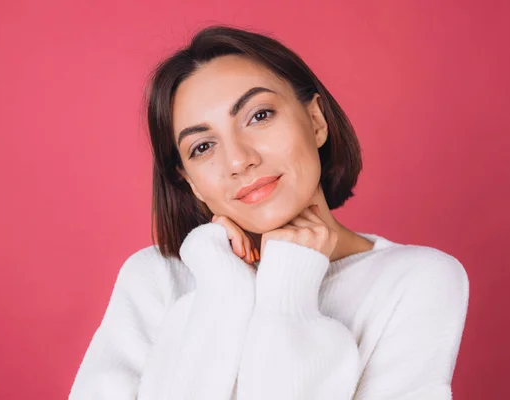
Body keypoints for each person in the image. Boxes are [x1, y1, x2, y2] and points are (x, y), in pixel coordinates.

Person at [69, 25, 469, 400]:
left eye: (258, 116)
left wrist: (288, 291)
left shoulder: (416, 280)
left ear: (315, 120)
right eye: (202, 147)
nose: (239, 160)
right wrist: (222, 290)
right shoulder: (155, 277)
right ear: (190, 181)